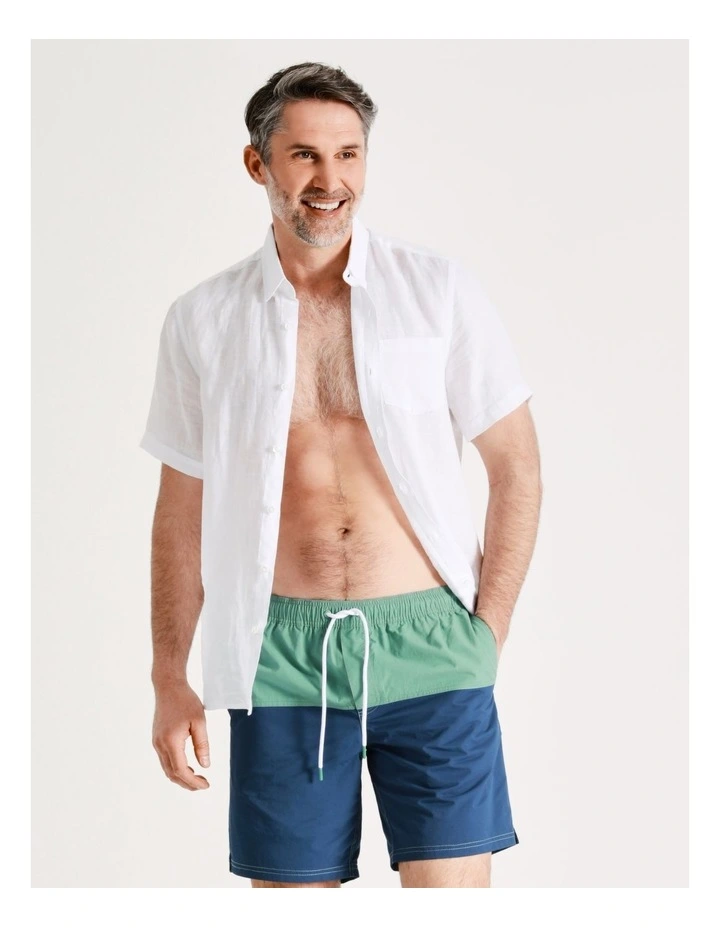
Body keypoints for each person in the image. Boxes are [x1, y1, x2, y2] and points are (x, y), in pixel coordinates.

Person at [140, 61, 542, 889]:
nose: (330, 181)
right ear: (257, 164)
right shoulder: (203, 320)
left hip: (434, 646)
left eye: (349, 154)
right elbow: (180, 512)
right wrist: (168, 677)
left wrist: (488, 633)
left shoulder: (437, 292)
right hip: (281, 654)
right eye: (305, 156)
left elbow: (517, 466)